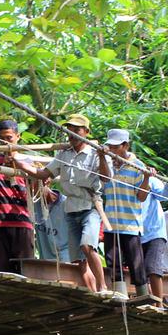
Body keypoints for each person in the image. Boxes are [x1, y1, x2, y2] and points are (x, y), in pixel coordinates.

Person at [26, 114, 110, 292]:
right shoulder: (63, 154)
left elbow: (106, 177)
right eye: (69, 130)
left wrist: (103, 157)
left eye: (77, 130)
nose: (72, 133)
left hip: (90, 207)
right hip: (71, 209)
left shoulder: (96, 153)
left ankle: (103, 286)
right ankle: (92, 290)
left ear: (86, 132)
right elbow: (42, 174)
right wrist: (19, 164)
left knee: (87, 246)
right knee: (79, 259)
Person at [99, 128, 150, 296]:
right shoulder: (107, 163)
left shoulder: (138, 167)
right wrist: (101, 156)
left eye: (116, 147)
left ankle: (143, 297)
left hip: (130, 225)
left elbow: (142, 197)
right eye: (110, 147)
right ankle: (119, 296)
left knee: (136, 264)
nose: (112, 151)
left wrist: (147, 178)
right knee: (113, 263)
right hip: (111, 224)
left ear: (125, 145)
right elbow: (104, 179)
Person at [0, 119, 38, 273]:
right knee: (3, 271)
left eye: (9, 138)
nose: (6, 142)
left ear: (18, 136)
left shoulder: (29, 162)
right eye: (2, 138)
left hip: (22, 221)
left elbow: (34, 192)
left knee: (26, 271)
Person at [138, 167, 168, 303]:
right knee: (140, 272)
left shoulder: (151, 180)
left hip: (154, 231)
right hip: (136, 232)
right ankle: (150, 302)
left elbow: (164, 195)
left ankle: (159, 303)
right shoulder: (125, 179)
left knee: (153, 268)